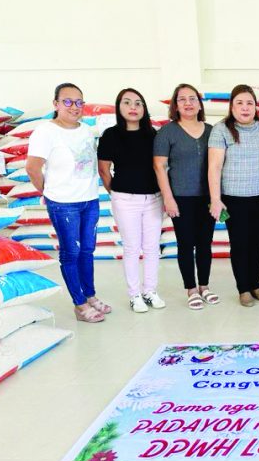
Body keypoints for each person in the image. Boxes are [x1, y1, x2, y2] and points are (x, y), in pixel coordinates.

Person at [26, 82, 111, 323]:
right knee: (71, 252)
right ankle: (79, 304)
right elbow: (32, 168)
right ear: (56, 104)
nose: (74, 107)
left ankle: (90, 295)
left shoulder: (86, 130)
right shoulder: (45, 131)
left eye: (79, 102)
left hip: (89, 200)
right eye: (67, 101)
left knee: (87, 250)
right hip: (63, 204)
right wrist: (49, 192)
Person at [208, 84, 259, 307]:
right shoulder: (221, 130)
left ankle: (255, 284)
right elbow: (214, 168)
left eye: (249, 103)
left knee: (258, 242)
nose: (245, 107)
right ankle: (243, 288)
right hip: (234, 198)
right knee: (240, 243)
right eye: (239, 103)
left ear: (255, 107)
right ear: (232, 107)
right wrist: (216, 199)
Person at [98, 88, 165, 313]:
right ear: (119, 108)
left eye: (138, 103)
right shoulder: (110, 135)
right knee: (132, 247)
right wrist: (118, 193)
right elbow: (104, 170)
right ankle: (134, 294)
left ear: (144, 108)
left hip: (154, 198)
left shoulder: (153, 134)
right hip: (125, 200)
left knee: (152, 247)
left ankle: (150, 291)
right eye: (127, 103)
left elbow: (161, 167)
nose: (133, 107)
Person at [154, 83, 218, 310]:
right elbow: (159, 167)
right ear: (175, 105)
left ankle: (204, 286)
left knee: (205, 243)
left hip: (207, 197)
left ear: (200, 104)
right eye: (182, 99)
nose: (188, 103)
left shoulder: (212, 131)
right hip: (181, 197)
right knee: (186, 243)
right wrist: (168, 198)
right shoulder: (167, 132)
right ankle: (191, 289)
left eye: (192, 99)